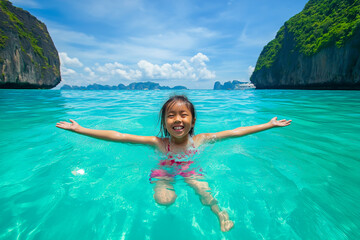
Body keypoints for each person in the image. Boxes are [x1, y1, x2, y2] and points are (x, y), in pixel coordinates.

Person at [56, 95, 291, 232]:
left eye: (183, 115)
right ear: (164, 122)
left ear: (193, 120)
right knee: (164, 200)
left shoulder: (201, 140)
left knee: (204, 191)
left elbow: (235, 132)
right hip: (164, 170)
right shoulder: (157, 143)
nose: (177, 120)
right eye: (171, 115)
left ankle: (220, 213)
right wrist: (80, 130)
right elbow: (119, 136)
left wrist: (269, 125)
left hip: (191, 168)